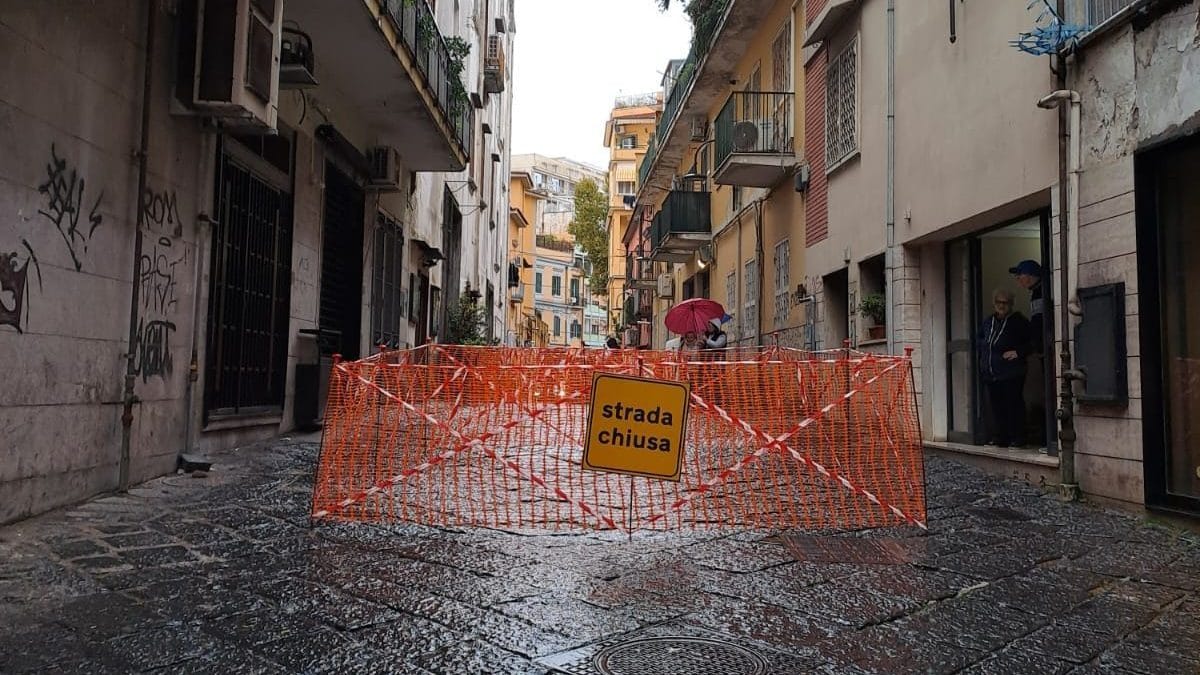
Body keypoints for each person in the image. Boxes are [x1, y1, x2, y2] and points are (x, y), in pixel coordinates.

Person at [978, 289, 1031, 448]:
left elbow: (1032, 341)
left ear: (1011, 304)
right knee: (997, 406)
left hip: (1011, 372)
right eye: (998, 302)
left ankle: (1018, 437)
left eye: (1005, 302)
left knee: (1013, 404)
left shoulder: (1018, 321)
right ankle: (1001, 437)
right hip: (991, 373)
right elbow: (979, 339)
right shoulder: (988, 322)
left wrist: (1018, 352)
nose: (1001, 305)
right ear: (994, 303)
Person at [1010, 259, 1047, 448]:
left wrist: (1033, 347)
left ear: (1030, 276)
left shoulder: (1043, 292)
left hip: (1046, 349)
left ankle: (1049, 438)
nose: (1018, 280)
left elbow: (1040, 324)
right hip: (1041, 350)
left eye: (1020, 275)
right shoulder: (1036, 293)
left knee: (1049, 391)